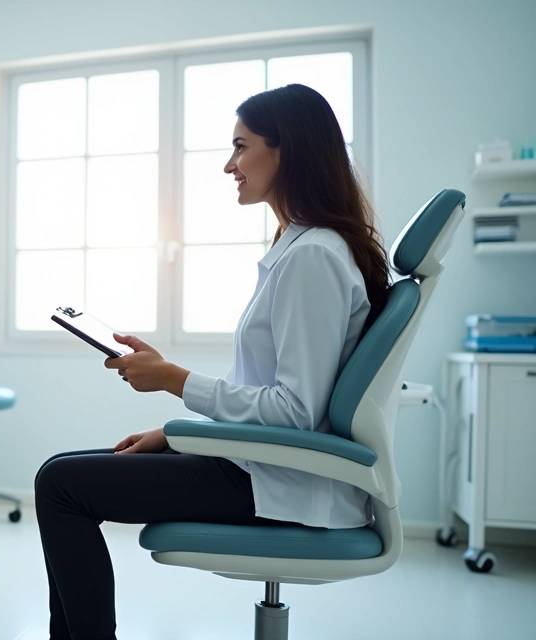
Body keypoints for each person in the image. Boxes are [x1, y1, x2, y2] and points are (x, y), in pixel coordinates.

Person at [34, 83, 393, 640]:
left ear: (286, 150)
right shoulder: (303, 247)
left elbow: (295, 412)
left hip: (284, 487)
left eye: (241, 146)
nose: (230, 165)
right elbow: (272, 394)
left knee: (61, 484)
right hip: (267, 469)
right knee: (62, 471)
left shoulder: (314, 257)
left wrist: (175, 382)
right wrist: (176, 434)